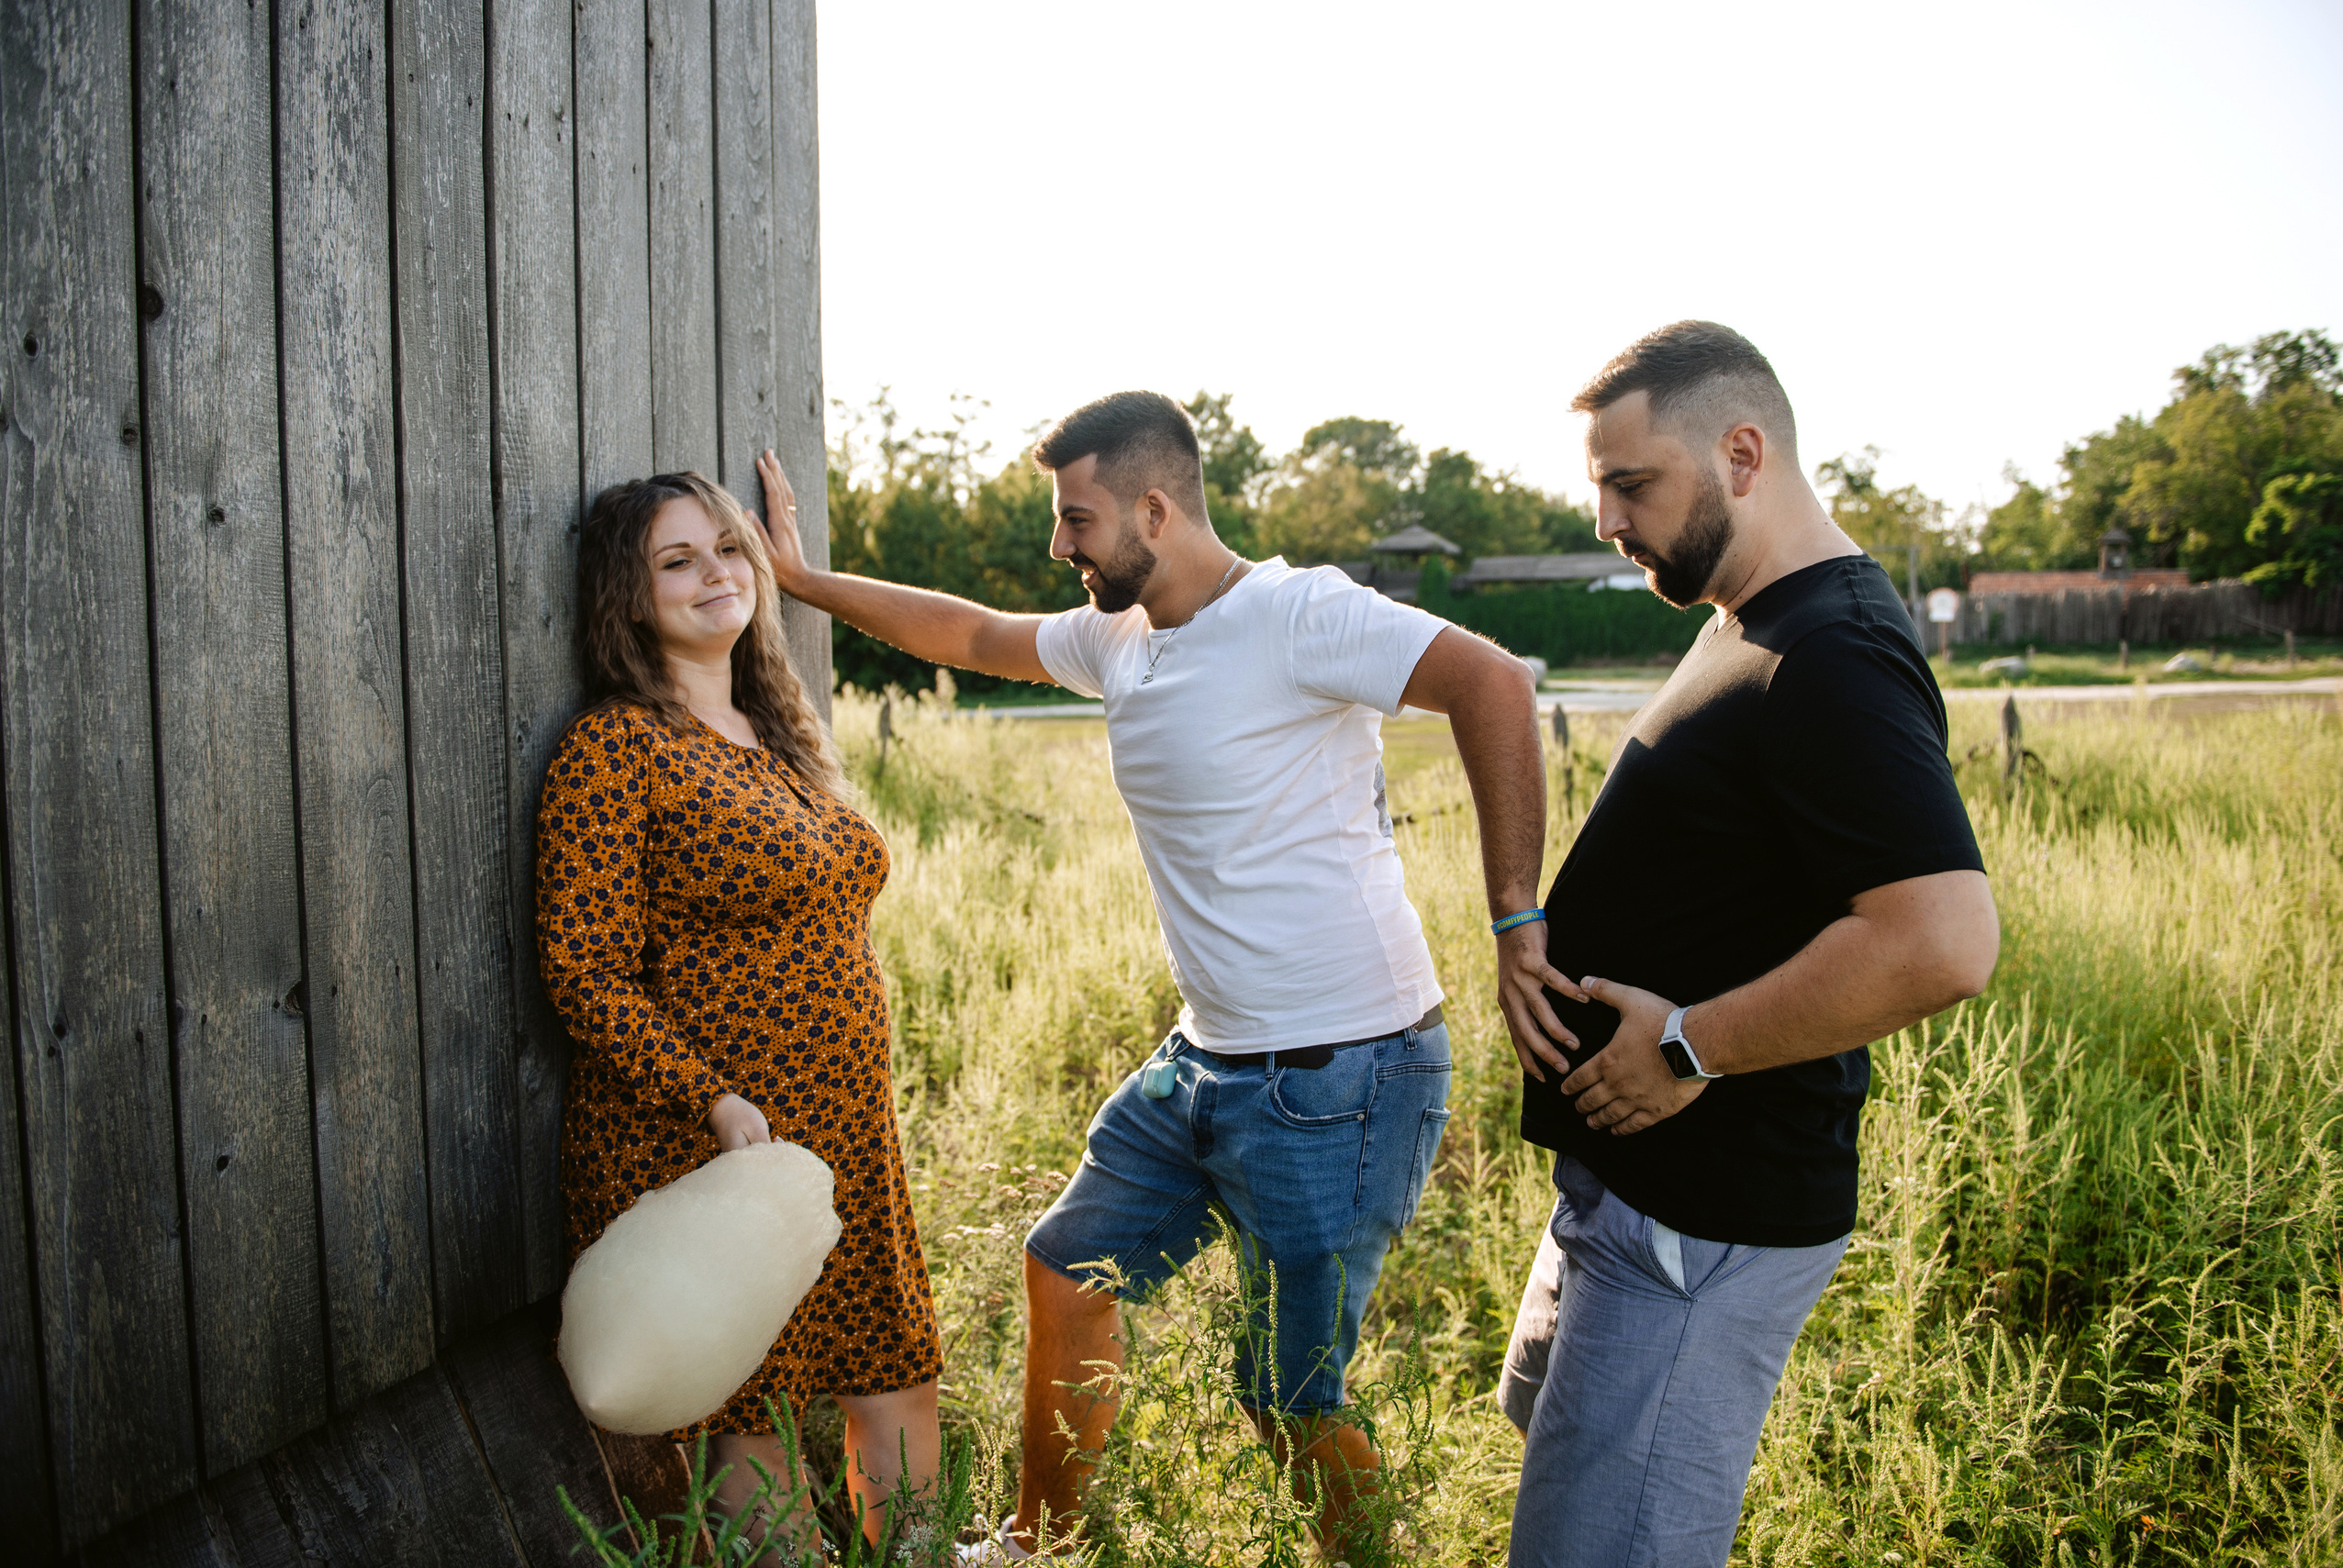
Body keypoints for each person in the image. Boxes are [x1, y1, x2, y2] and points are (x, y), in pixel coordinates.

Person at [748, 391, 1578, 1559]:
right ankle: (1041, 1542)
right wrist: (803, 583)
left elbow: (1490, 682)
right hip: (1205, 1060)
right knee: (1063, 1268)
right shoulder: (1119, 637)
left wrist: (1514, 918)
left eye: (1075, 519)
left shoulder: (1299, 612)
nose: (1058, 546)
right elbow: (973, 633)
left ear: (1153, 506)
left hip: (1344, 1071)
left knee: (1291, 1398)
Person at [1502, 322, 2001, 1567]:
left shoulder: (1835, 651)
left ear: (1741, 451)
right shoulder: (1748, 612)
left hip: (1700, 1225)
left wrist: (1683, 1046)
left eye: (1632, 485)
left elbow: (1943, 939)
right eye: (1599, 488)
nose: (1609, 520)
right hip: (1632, 1202)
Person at [537, 471, 943, 1551]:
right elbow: (584, 971)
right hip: (717, 1137)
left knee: (894, 1370)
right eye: (678, 560)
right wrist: (709, 1096)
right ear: (627, 596)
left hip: (845, 1124)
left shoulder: (775, 728)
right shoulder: (614, 749)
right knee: (752, 1410)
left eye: (727, 548)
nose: (716, 573)